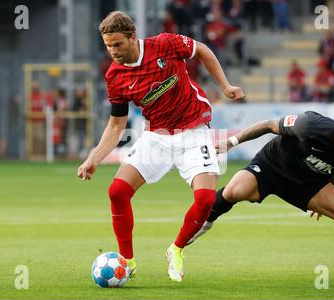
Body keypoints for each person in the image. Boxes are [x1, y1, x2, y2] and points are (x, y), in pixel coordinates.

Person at [77, 11, 245, 283]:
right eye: (108, 46)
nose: (113, 51)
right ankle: (127, 262)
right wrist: (93, 158)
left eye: (117, 44)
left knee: (204, 200)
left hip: (193, 132)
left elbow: (201, 50)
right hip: (156, 136)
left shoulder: (165, 44)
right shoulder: (115, 76)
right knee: (117, 191)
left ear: (133, 37)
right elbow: (116, 125)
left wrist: (225, 86)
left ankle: (176, 249)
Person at [188, 111, 334, 284]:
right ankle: (202, 225)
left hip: (307, 182)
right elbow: (268, 124)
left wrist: (325, 201)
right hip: (273, 165)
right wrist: (231, 142)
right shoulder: (309, 125)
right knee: (234, 191)